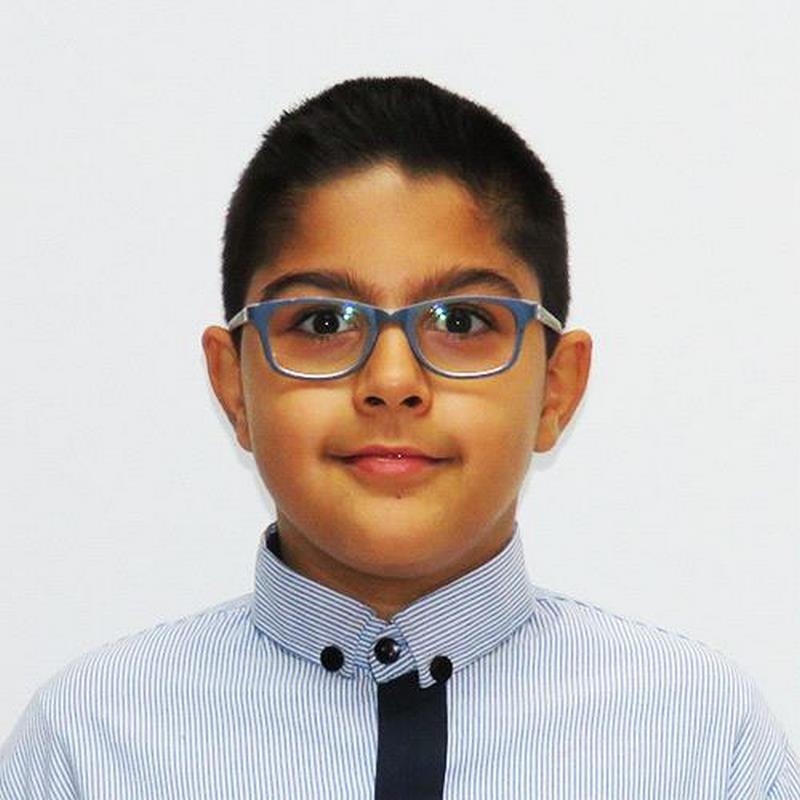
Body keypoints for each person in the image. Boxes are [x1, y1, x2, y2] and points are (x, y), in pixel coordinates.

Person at [1, 76, 797, 799]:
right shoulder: (92, 741)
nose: (391, 380)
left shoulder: (698, 739)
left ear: (556, 387)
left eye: (462, 321)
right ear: (233, 385)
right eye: (323, 322)